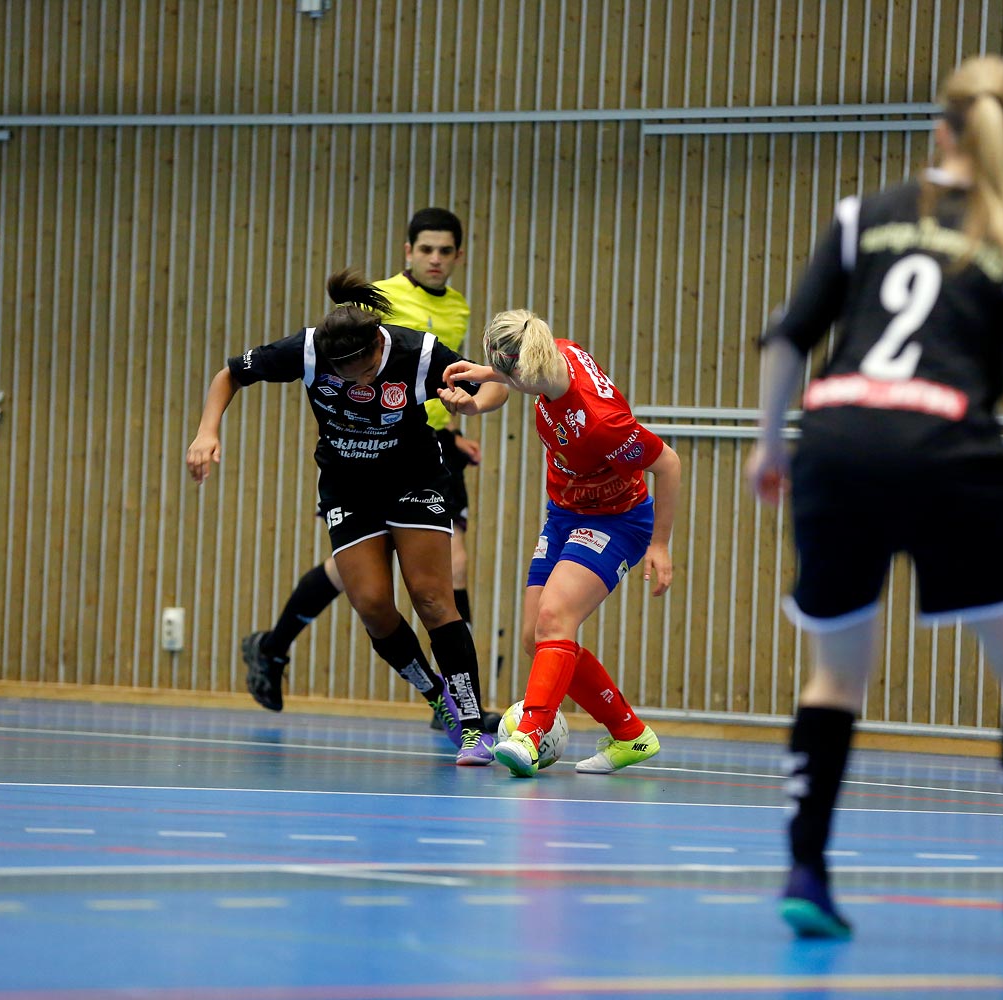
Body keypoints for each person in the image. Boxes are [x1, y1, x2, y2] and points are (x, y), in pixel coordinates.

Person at [744, 55, 1003, 938]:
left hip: (835, 443)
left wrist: (769, 445)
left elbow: (789, 341)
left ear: (939, 130)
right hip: (946, 447)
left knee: (836, 672)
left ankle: (807, 868)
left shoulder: (860, 216)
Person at [187, 270, 509, 764]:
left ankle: (470, 725)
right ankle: (434, 696)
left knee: (431, 597)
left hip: (413, 478)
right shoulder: (308, 350)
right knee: (374, 606)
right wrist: (207, 431)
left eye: (361, 374)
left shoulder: (416, 353)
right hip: (349, 486)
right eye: (342, 377)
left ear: (378, 351)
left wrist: (473, 404)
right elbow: (231, 373)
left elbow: (494, 385)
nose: (353, 384)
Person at [236, 208, 500, 733]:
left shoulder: (457, 309)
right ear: (408, 251)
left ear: (458, 257)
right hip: (358, 458)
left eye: (445, 251)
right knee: (366, 586)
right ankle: (274, 644)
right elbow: (350, 371)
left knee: (443, 574)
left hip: (421, 450)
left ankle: (456, 702)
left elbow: (446, 379)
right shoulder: (373, 303)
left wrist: (455, 424)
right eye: (426, 249)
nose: (435, 259)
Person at [439, 310, 682, 778]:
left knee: (556, 618)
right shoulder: (553, 351)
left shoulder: (600, 422)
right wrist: (478, 396)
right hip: (565, 513)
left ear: (528, 369)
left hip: (618, 521)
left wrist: (661, 545)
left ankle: (529, 736)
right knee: (538, 636)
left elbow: (667, 464)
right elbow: (510, 382)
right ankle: (630, 735)